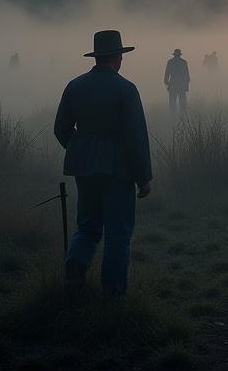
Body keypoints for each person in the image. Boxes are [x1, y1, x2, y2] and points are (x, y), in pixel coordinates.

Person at [53, 30, 152, 298]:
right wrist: (144, 177)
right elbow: (136, 137)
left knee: (87, 227)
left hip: (84, 169)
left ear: (97, 57)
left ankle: (75, 265)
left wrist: (80, 150)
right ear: (118, 57)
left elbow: (61, 128)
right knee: (118, 233)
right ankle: (113, 293)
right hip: (118, 171)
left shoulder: (74, 86)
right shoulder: (126, 89)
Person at [164, 48, 190, 116]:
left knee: (172, 102)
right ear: (180, 55)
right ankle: (183, 116)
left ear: (174, 55)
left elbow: (167, 73)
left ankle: (172, 116)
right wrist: (186, 86)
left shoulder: (170, 62)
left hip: (173, 84)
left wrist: (166, 83)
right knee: (182, 102)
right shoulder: (183, 62)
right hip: (181, 85)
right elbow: (187, 75)